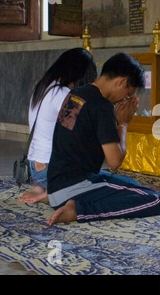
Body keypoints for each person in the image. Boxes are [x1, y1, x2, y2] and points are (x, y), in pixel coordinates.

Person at [45, 53, 160, 226]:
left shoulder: (76, 93)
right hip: (75, 185)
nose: (125, 99)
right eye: (128, 94)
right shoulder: (102, 106)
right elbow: (115, 161)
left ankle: (63, 199)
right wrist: (123, 123)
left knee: (132, 185)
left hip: (56, 183)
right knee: (154, 199)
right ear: (121, 82)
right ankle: (78, 211)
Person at [19, 48, 97, 204]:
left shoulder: (43, 87)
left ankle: (40, 187)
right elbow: (79, 130)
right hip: (51, 170)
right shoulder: (62, 94)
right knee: (96, 183)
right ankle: (51, 194)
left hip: (34, 168)